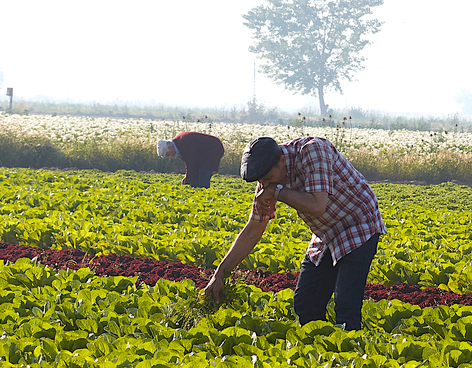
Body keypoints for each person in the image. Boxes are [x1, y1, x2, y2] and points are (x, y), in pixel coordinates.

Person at [203, 135, 384, 329]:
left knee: (346, 304)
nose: (264, 185)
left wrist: (277, 191)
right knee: (306, 303)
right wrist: (220, 274)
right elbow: (253, 230)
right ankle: (320, 351)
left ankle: (351, 352)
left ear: (282, 161)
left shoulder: (312, 151)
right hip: (326, 234)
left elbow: (317, 206)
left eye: (268, 179)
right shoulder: (269, 179)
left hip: (358, 223)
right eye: (261, 181)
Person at [158, 130, 224, 189]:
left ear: (169, 147)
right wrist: (188, 178)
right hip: (204, 154)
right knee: (195, 174)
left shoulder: (183, 143)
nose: (169, 156)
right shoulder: (178, 143)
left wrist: (187, 181)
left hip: (213, 149)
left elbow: (190, 163)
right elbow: (192, 163)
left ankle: (203, 194)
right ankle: (195, 192)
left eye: (167, 154)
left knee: (203, 173)